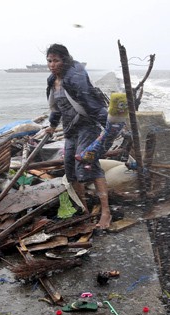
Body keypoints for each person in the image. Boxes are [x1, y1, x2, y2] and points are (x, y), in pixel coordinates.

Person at [44, 44, 112, 230]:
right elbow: (56, 107)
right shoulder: (52, 80)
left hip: (87, 126)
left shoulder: (75, 78)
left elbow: (91, 103)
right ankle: (84, 210)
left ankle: (106, 212)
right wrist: (51, 126)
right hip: (70, 129)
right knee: (70, 168)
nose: (52, 64)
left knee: (88, 163)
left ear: (64, 60)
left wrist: (109, 126)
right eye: (49, 61)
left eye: (56, 60)